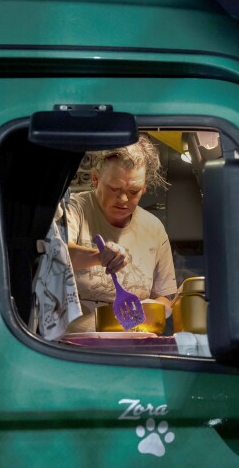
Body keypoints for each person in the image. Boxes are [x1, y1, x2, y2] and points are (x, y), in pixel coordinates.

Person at [65, 135, 176, 332]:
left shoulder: (154, 228)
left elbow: (165, 297)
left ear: (144, 188)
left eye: (134, 191)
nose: (123, 198)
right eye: (114, 189)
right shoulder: (75, 209)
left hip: (135, 343)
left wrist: (152, 310)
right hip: (75, 345)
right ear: (95, 180)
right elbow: (60, 255)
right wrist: (100, 256)